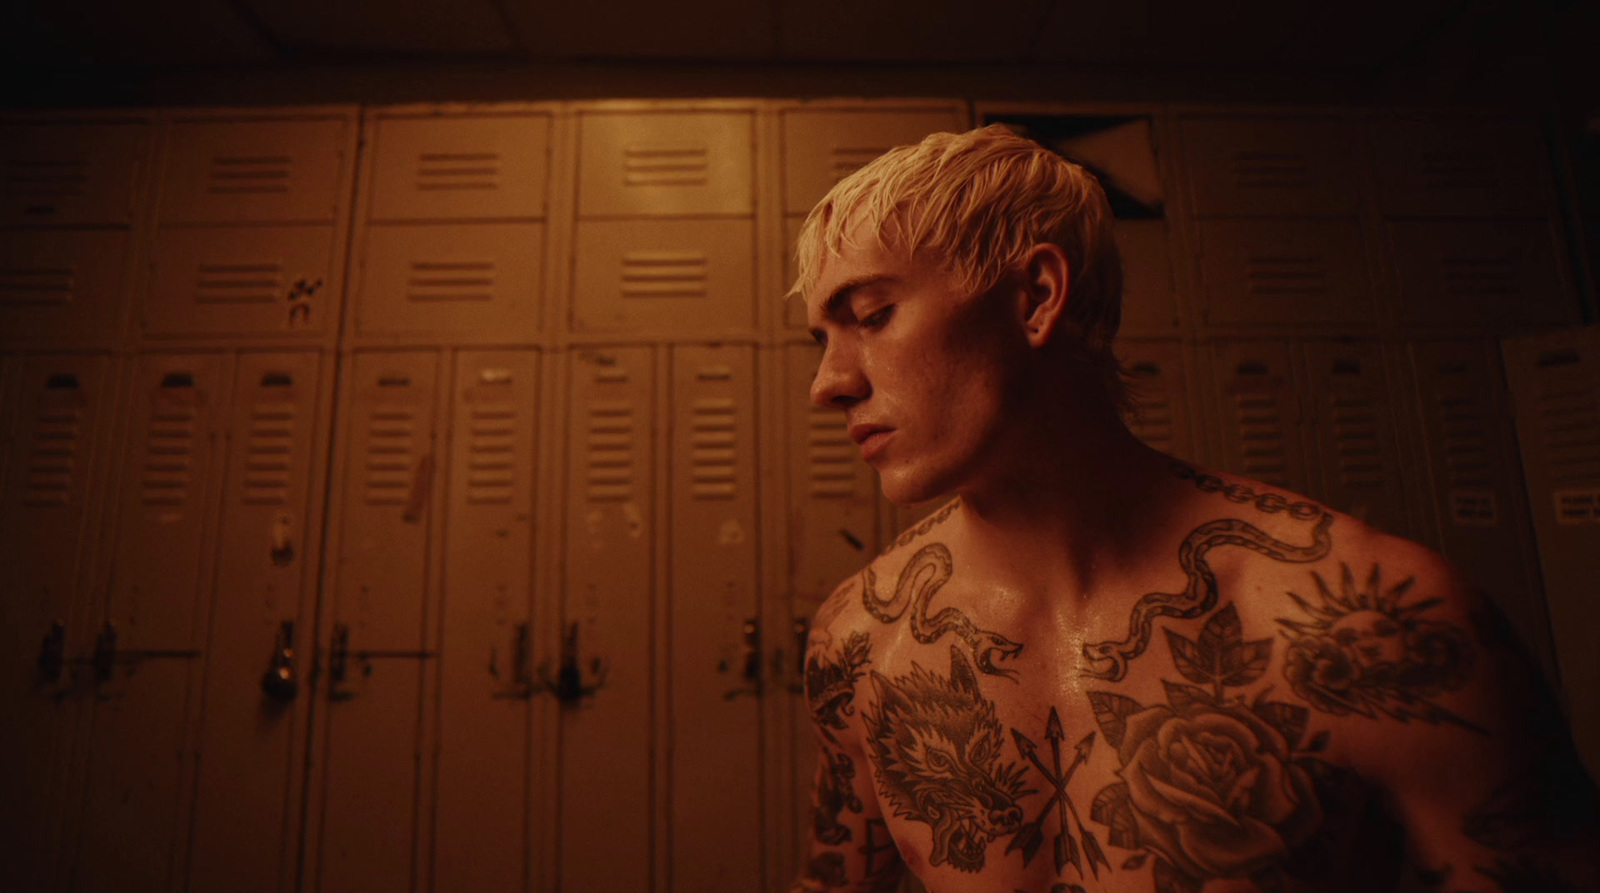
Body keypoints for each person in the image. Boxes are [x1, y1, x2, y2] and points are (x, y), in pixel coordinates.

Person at [788, 124, 1600, 893]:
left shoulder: (1374, 628)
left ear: (1035, 296)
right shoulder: (860, 639)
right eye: (822, 340)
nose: (830, 383)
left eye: (869, 317)